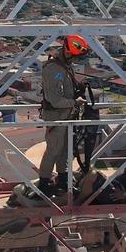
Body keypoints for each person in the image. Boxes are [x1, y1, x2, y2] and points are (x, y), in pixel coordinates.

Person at [38, 34, 90, 195]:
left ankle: (63, 180)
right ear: (68, 52)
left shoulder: (65, 66)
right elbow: (54, 99)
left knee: (65, 150)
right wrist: (74, 102)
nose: (75, 59)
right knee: (54, 149)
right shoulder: (54, 69)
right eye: (75, 56)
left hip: (66, 116)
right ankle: (44, 184)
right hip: (56, 116)